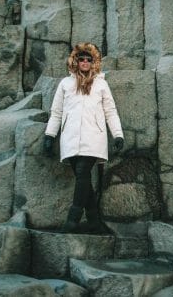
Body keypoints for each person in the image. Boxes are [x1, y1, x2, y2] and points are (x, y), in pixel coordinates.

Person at [43, 42, 124, 233]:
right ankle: (94, 220)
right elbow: (56, 112)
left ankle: (73, 220)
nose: (85, 62)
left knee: (82, 172)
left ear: (93, 62)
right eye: (82, 59)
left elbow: (110, 111)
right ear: (76, 61)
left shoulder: (101, 84)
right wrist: (49, 135)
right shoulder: (65, 84)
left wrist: (118, 134)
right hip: (70, 137)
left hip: (94, 136)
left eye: (89, 59)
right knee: (83, 178)